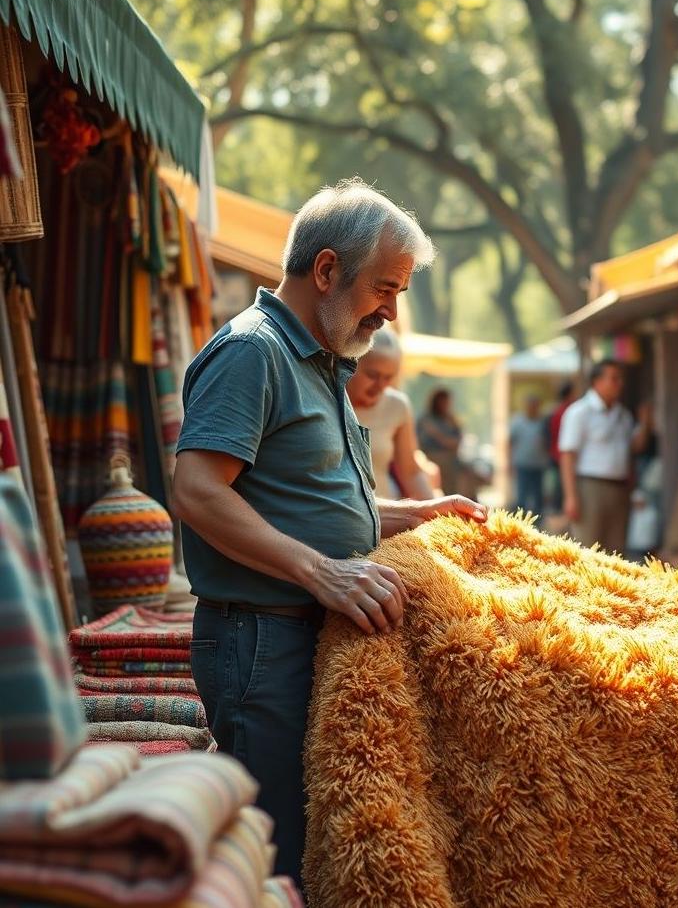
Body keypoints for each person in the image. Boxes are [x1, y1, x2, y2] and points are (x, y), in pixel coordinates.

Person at [172, 178, 487, 891]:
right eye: (384, 287)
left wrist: (413, 512)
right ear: (324, 271)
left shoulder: (318, 360)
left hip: (296, 635)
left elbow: (308, 494)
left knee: (313, 858)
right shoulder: (252, 352)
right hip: (258, 642)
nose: (391, 309)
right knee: (277, 863)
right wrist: (324, 572)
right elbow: (196, 490)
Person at [558, 360, 651, 554]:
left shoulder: (623, 415)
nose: (619, 384)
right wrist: (571, 496)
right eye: (614, 379)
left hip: (619, 488)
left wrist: (645, 423)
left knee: (615, 551)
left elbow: (634, 448)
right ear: (597, 382)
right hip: (590, 488)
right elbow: (567, 456)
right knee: (587, 549)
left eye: (620, 379)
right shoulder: (579, 412)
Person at [346, 327, 434, 500]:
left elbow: (411, 473)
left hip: (384, 517)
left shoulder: (397, 406)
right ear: (349, 364)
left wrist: (440, 515)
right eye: (372, 375)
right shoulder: (327, 398)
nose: (381, 385)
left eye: (388, 377)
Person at [509, 393, 550, 520]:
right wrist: (509, 462)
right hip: (522, 464)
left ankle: (538, 522)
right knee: (522, 496)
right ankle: (519, 521)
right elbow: (510, 442)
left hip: (539, 465)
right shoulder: (517, 421)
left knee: (538, 496)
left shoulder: (543, 422)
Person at [417, 388, 462, 494]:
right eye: (442, 401)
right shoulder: (425, 420)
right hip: (430, 461)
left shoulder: (451, 420)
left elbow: (456, 442)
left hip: (450, 464)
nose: (445, 404)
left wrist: (437, 434)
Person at [546, 381, 574, 512]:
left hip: (555, 454)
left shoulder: (556, 412)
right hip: (563, 456)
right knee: (562, 490)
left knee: (558, 489)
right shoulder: (569, 412)